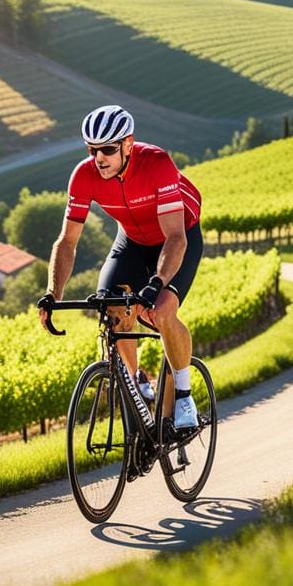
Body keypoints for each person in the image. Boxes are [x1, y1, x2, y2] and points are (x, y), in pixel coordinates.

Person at [38, 105, 204, 428]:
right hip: (131, 240)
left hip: (177, 237)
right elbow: (67, 242)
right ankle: (135, 380)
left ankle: (184, 397)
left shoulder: (156, 164)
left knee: (163, 310)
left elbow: (175, 237)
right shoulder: (84, 176)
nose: (99, 158)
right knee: (111, 305)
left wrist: (157, 282)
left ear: (128, 144)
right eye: (92, 149)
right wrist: (51, 293)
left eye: (108, 150)